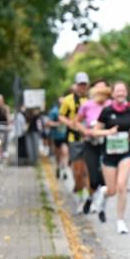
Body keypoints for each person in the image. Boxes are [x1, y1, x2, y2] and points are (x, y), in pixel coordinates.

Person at [88, 82, 130, 234]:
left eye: (123, 91)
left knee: (122, 186)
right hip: (109, 155)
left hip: (125, 153)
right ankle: (103, 196)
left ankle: (120, 221)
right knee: (112, 190)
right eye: (118, 91)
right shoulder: (106, 111)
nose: (121, 93)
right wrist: (108, 132)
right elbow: (95, 132)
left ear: (126, 93)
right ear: (113, 94)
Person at [75, 81, 111, 214]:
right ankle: (90, 198)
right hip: (90, 143)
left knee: (105, 176)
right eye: (99, 91)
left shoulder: (110, 105)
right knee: (93, 176)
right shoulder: (87, 105)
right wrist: (84, 130)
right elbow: (77, 121)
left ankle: (99, 202)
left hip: (106, 143)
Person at [59, 74, 90, 207]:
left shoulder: (91, 100)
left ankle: (88, 197)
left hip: (89, 138)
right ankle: (79, 191)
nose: (82, 87)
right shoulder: (68, 100)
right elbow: (61, 116)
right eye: (80, 84)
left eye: (85, 84)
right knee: (77, 171)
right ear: (76, 86)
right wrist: (70, 123)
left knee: (87, 170)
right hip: (74, 138)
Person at [44, 99, 69, 178]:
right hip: (56, 136)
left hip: (66, 136)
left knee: (65, 152)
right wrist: (57, 124)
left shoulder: (68, 110)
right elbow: (48, 123)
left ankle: (64, 170)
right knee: (58, 154)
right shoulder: (54, 111)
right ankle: (58, 167)